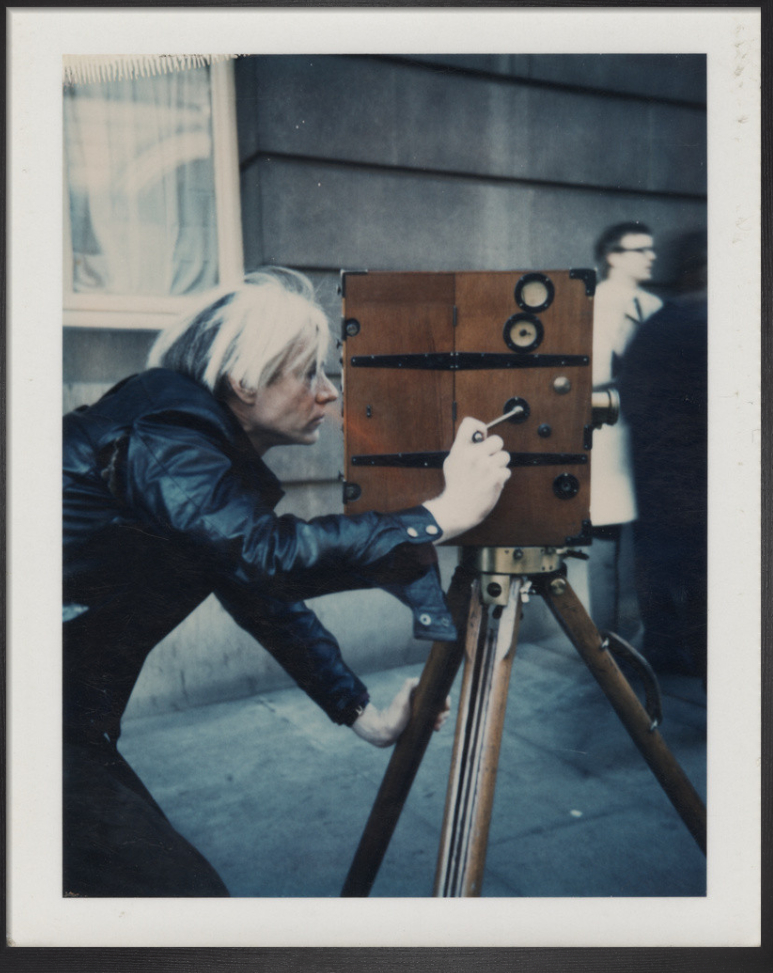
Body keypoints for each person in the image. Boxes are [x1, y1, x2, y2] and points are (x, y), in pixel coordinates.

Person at [62, 267, 511, 897]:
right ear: (244, 380)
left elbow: (261, 595)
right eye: (308, 373)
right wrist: (441, 515)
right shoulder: (167, 441)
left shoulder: (184, 443)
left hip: (58, 721)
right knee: (183, 910)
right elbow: (265, 558)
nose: (328, 393)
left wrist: (365, 715)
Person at [620, 234, 707, 680]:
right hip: (694, 488)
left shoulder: (657, 327)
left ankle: (664, 651)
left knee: (663, 577)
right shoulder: (700, 327)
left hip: (659, 485)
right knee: (704, 592)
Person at [588, 222, 663, 635]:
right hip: (608, 437)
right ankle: (602, 640)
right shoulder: (592, 304)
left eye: (651, 249)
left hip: (649, 437)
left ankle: (656, 638)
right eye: (640, 250)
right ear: (613, 256)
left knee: (652, 544)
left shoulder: (652, 306)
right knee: (604, 545)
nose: (651, 256)